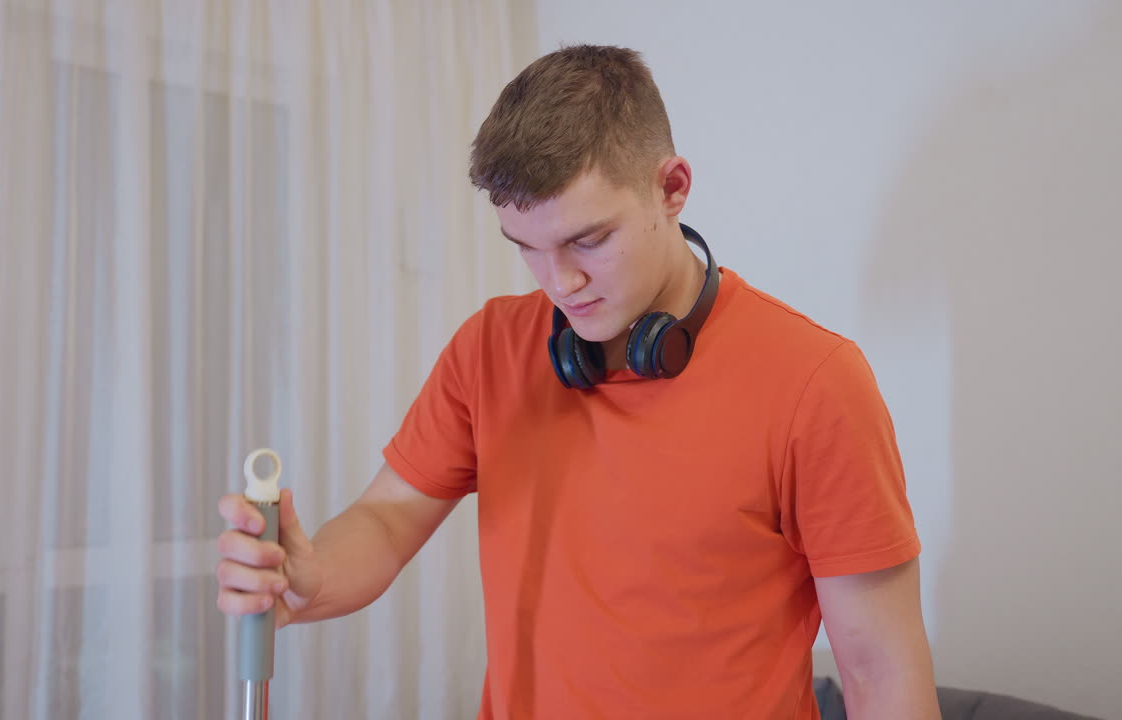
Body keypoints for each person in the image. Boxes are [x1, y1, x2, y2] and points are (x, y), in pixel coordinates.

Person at [216, 44, 939, 719]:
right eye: (526, 248)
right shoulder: (490, 348)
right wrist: (312, 575)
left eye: (587, 240)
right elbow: (387, 518)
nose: (558, 282)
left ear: (673, 188)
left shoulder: (814, 384)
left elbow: (882, 674)